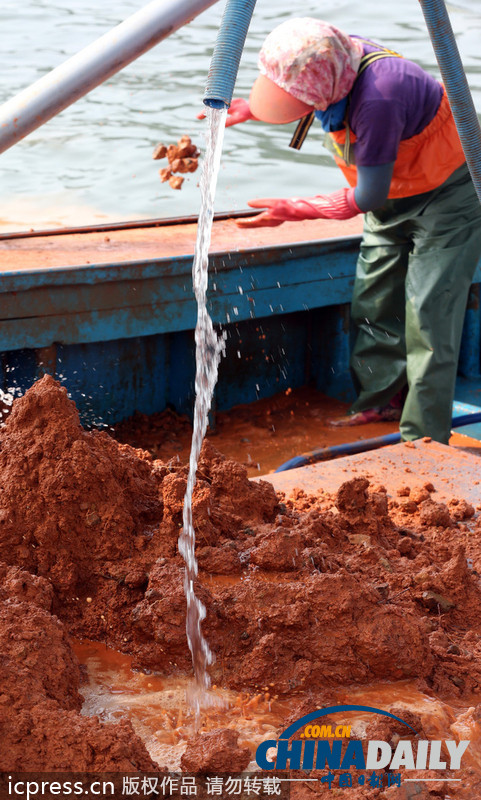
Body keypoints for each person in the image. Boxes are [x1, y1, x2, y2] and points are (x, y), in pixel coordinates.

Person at [208, 17, 481, 444]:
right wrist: (255, 108)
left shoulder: (380, 97)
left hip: (449, 194)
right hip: (396, 188)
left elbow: (367, 195)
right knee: (373, 298)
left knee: (430, 314)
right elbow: (299, 84)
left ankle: (424, 440)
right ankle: (381, 399)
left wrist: (295, 209)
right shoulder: (333, 59)